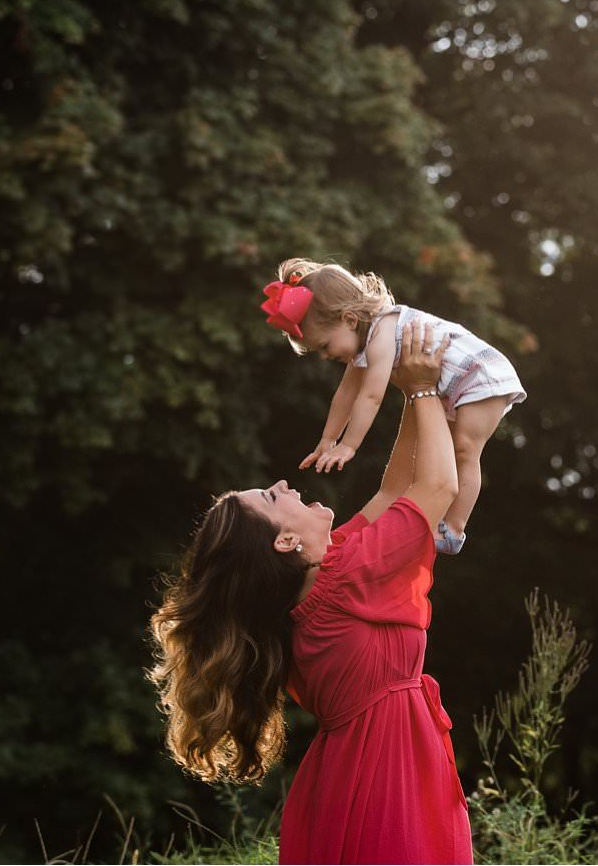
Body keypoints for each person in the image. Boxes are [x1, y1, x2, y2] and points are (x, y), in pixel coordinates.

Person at [149, 322, 473, 865]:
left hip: (356, 774)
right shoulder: (348, 579)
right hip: (386, 781)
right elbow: (438, 489)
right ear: (286, 540)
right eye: (275, 496)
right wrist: (421, 392)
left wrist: (417, 389)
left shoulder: (327, 577)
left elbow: (395, 490)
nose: (287, 485)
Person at [259, 257, 527, 554]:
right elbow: (345, 394)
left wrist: (349, 446)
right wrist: (327, 439)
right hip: (453, 385)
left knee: (464, 449)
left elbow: (370, 396)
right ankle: (443, 522)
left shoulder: (383, 330)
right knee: (448, 450)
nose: (324, 356)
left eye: (324, 346)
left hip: (481, 375)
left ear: (349, 319)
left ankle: (454, 527)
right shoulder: (363, 342)